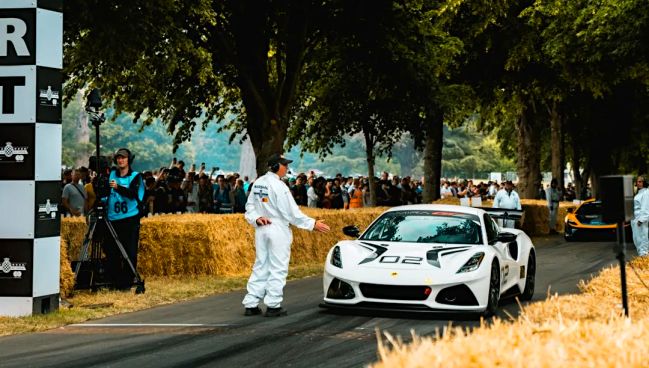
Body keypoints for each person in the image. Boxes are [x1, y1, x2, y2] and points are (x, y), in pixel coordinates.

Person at [242, 153, 330, 317]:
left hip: (261, 227)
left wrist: (256, 218)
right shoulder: (280, 186)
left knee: (261, 264)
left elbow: (249, 207)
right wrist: (312, 224)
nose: (287, 168)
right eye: (285, 165)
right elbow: (291, 213)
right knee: (278, 266)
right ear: (276, 167)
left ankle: (251, 303)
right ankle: (273, 304)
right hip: (277, 228)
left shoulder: (258, 183)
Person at [103, 148, 145, 290]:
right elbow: (105, 192)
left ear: (129, 160)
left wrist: (118, 187)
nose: (120, 160)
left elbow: (133, 194)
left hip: (129, 219)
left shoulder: (135, 176)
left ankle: (127, 282)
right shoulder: (112, 174)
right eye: (118, 158)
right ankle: (114, 281)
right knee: (112, 251)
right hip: (113, 219)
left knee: (129, 252)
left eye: (123, 158)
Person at [632, 175, 649, 256]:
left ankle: (644, 259)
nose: (638, 183)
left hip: (640, 220)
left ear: (645, 182)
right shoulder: (639, 192)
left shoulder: (646, 192)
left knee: (642, 240)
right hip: (636, 219)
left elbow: (645, 207)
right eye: (637, 181)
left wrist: (641, 220)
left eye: (640, 181)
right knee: (637, 240)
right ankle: (642, 259)